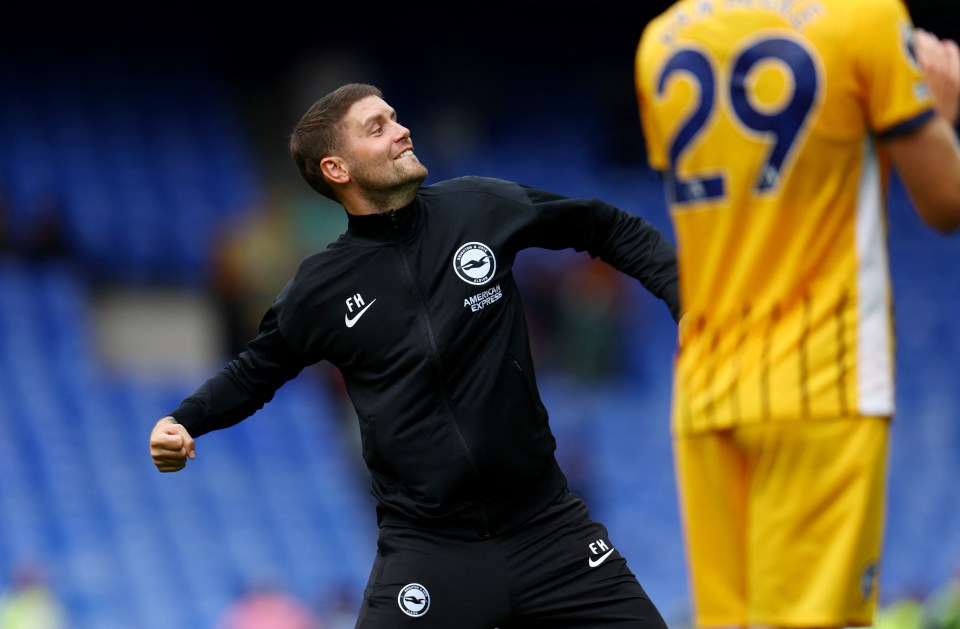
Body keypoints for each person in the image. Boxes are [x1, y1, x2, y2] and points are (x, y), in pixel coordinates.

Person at [150, 82, 681, 628]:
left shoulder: (478, 207)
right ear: (338, 169)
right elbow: (254, 372)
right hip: (431, 553)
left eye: (395, 118)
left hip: (550, 532)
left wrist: (688, 307)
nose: (402, 130)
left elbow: (610, 226)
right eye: (377, 127)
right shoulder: (320, 289)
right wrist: (183, 420)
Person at [634, 1, 960, 628]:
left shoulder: (661, 41)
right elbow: (945, 202)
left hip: (706, 388)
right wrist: (937, 117)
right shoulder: (863, 18)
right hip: (820, 378)